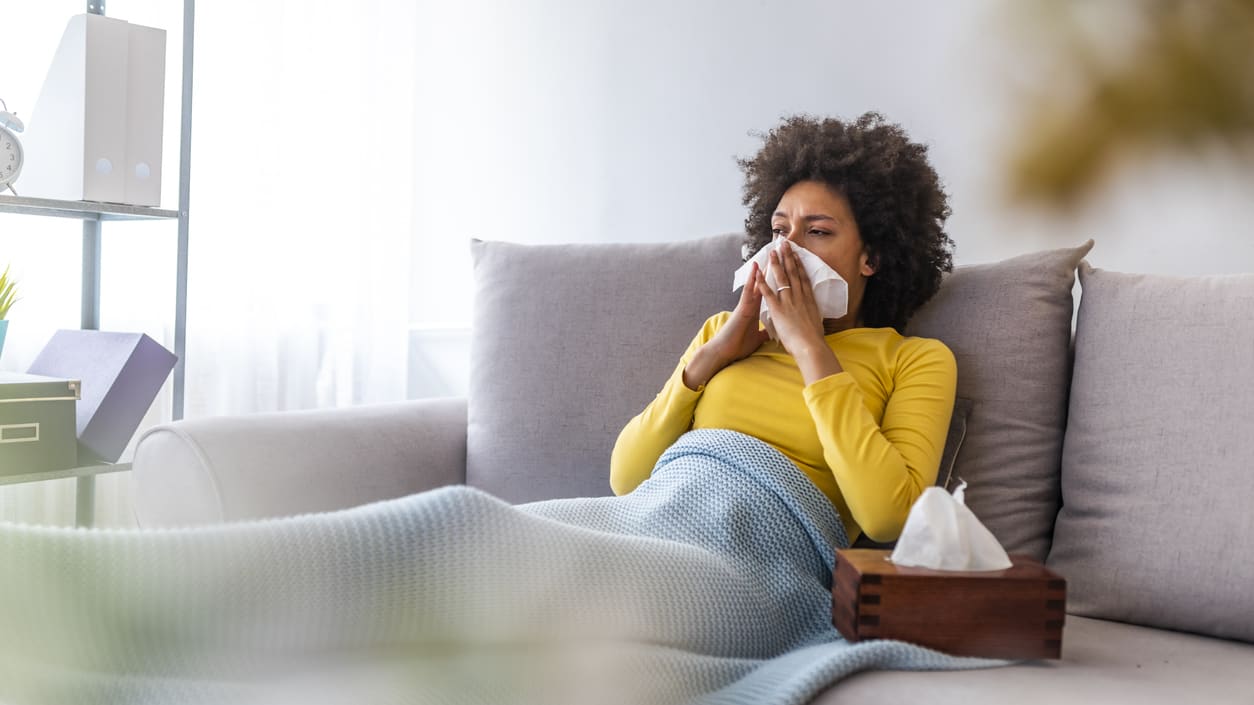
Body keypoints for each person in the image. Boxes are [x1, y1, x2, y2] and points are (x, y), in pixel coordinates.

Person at [609, 112, 957, 545]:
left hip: (763, 555)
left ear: (874, 257)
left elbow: (888, 517)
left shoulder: (914, 360)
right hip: (656, 524)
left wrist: (812, 349)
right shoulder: (725, 333)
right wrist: (712, 356)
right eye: (779, 230)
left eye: (816, 231)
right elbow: (626, 479)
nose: (786, 247)